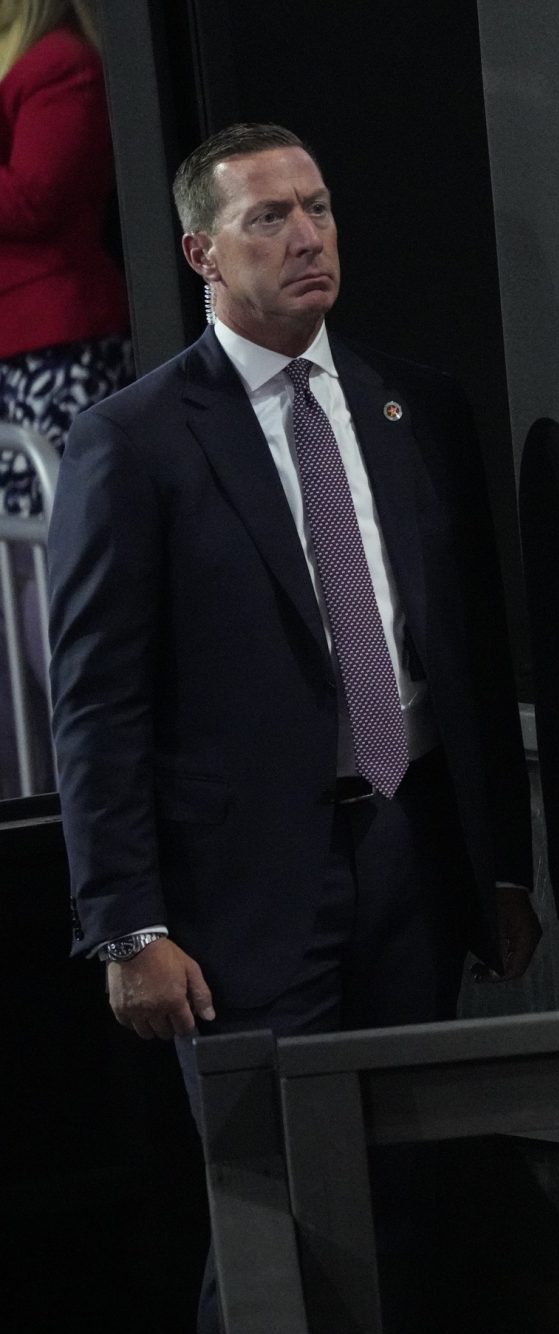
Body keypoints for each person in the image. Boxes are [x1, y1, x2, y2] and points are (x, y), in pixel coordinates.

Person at [46, 122, 538, 1328]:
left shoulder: (413, 406)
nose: (306, 235)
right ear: (200, 252)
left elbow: (466, 656)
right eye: (267, 217)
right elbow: (97, 699)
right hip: (242, 892)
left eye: (316, 206)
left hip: (410, 857)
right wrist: (125, 924)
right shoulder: (137, 440)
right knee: (273, 1221)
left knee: (412, 1197)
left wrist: (502, 866)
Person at [0, 0, 129, 796]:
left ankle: (98, 776)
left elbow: (36, 198)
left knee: (66, 562)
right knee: (19, 565)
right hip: (16, 348)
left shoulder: (63, 63)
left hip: (61, 342)